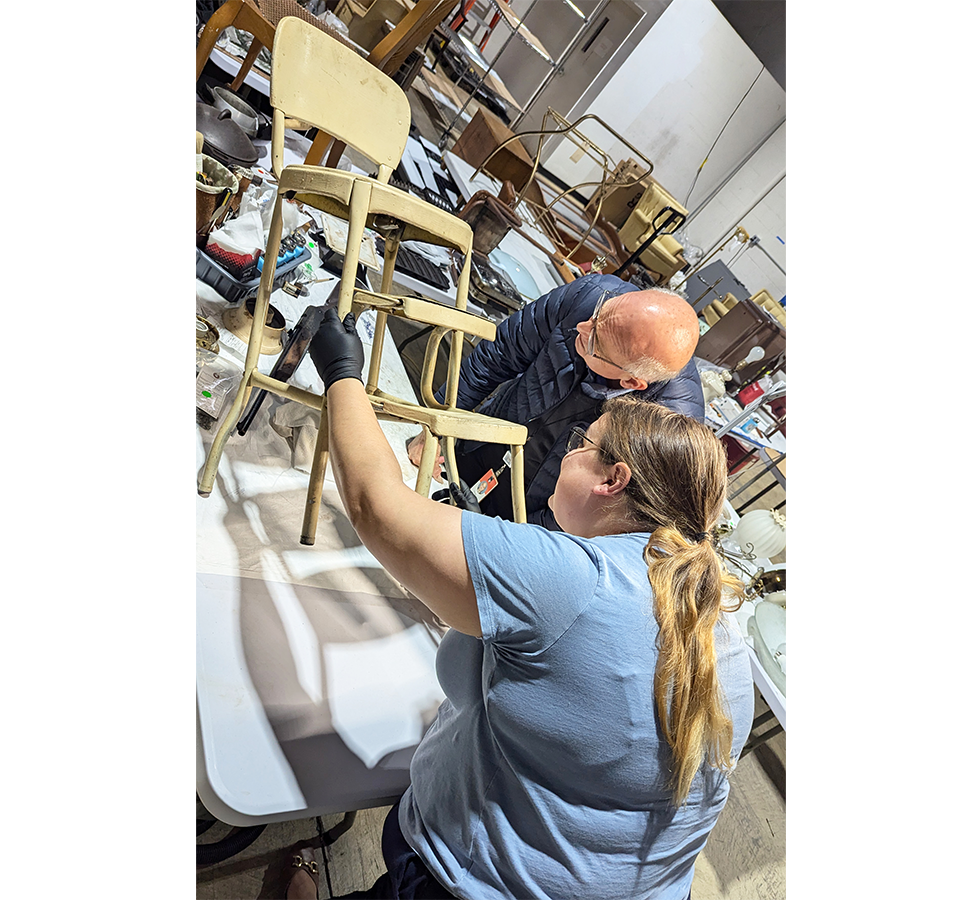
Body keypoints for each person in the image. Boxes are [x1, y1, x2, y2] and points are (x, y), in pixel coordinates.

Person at [286, 309, 754, 900]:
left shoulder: (578, 581)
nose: (566, 451)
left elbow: (378, 507)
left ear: (613, 481)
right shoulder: (714, 608)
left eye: (585, 444)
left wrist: (342, 372)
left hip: (491, 887)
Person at [406, 273, 705, 529]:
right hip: (480, 442)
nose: (582, 328)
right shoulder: (591, 296)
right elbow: (497, 355)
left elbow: (597, 513)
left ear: (630, 382)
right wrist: (434, 427)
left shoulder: (667, 427)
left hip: (531, 513)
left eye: (595, 342)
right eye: (597, 317)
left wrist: (503, 537)